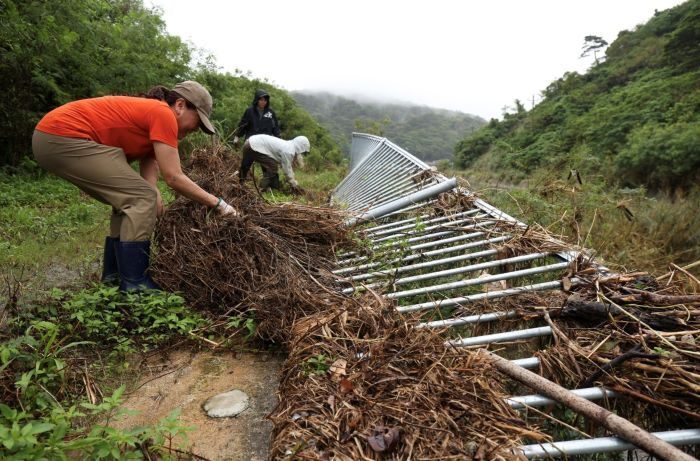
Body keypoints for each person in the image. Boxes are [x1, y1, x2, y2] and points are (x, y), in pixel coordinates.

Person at [32, 81, 239, 292]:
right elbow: (174, 177)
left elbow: (150, 172)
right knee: (139, 198)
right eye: (198, 122)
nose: (196, 130)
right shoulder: (163, 114)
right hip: (63, 136)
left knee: (134, 197)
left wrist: (156, 199)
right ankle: (135, 284)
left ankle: (114, 276)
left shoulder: (153, 116)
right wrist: (219, 204)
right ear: (180, 105)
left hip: (51, 137)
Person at [239, 134, 309, 192]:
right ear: (300, 147)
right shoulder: (289, 151)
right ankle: (261, 188)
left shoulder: (287, 145)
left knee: (245, 166)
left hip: (250, 142)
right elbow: (287, 169)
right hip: (254, 146)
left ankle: (240, 184)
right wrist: (294, 183)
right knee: (273, 167)